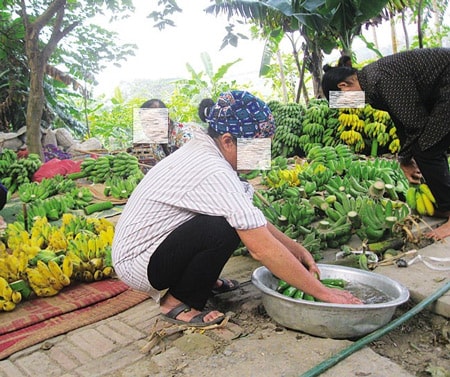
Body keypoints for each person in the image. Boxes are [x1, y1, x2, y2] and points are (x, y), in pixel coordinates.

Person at [112, 90, 362, 328]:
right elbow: (260, 247)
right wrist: (325, 293)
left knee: (230, 221)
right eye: (257, 149)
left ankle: (200, 280)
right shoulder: (212, 169)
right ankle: (176, 302)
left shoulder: (206, 149)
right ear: (228, 141)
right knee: (224, 227)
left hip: (154, 250)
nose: (262, 160)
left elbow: (250, 217)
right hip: (139, 262)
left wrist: (295, 248)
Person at [321, 48, 450, 240]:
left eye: (343, 102)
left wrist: (406, 157)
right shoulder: (372, 83)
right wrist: (404, 158)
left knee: (427, 149)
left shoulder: (380, 79)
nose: (348, 107)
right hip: (441, 91)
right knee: (428, 145)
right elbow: (401, 120)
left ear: (343, 86)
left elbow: (415, 123)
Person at [134, 99, 196, 166]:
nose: (150, 129)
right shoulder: (155, 144)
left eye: (155, 122)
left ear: (167, 119)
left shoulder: (184, 137)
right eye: (145, 125)